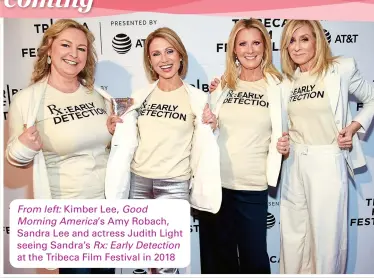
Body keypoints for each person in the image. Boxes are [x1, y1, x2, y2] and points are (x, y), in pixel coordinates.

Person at [105, 27, 221, 275]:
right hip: (139, 184)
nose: (164, 59)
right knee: (149, 261)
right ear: (149, 60)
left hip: (175, 185)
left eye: (169, 51)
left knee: (168, 264)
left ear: (180, 55)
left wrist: (214, 125)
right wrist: (114, 128)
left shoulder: (198, 98)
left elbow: (207, 144)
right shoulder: (139, 97)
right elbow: (126, 139)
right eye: (156, 54)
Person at [5, 19, 115, 275]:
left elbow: (105, 148)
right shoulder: (28, 100)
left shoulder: (97, 95)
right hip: (69, 215)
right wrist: (24, 146)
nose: (73, 54)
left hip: (107, 209)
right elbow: (13, 157)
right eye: (66, 45)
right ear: (49, 49)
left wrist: (112, 132)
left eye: (81, 48)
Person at [276, 19, 374, 274]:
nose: (296, 47)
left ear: (317, 40)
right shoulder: (287, 81)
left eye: (304, 39)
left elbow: (371, 98)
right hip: (294, 162)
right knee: (293, 237)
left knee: (327, 238)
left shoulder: (340, 68)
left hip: (327, 160)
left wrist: (353, 127)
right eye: (291, 42)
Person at [201, 18, 286, 274]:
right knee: (220, 262)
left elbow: (291, 126)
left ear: (265, 46)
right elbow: (210, 130)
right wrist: (212, 123)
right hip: (217, 186)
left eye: (256, 43)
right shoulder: (223, 85)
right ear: (234, 49)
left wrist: (287, 140)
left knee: (255, 260)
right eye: (243, 44)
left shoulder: (279, 86)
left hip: (252, 187)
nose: (250, 50)